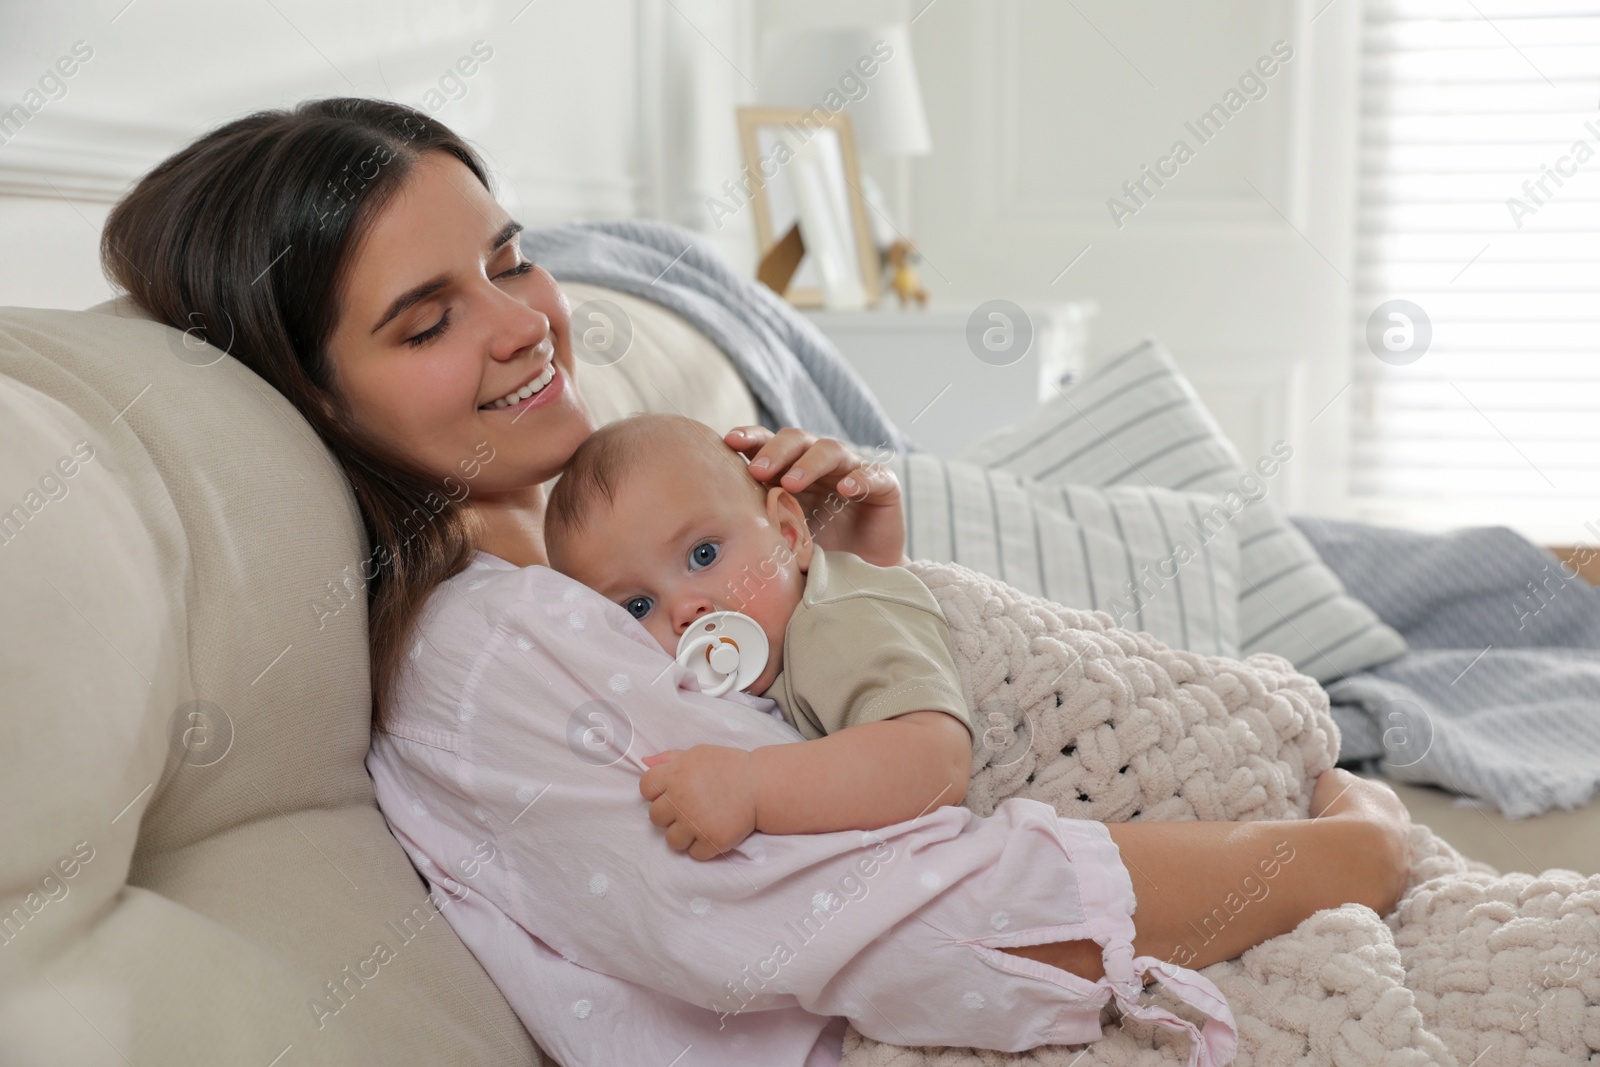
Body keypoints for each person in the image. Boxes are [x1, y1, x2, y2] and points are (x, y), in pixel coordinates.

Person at [98, 97, 1413, 1067]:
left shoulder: (575, 538)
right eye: (425, 319)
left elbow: (806, 755)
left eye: (508, 259)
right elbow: (864, 917)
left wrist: (850, 593)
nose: (520, 323)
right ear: (313, 395)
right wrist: (1330, 855)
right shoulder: (486, 653)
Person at [545, 411, 977, 860]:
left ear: (789, 533)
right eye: (638, 607)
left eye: (703, 554)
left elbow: (935, 761)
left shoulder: (834, 619)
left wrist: (754, 786)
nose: (685, 611)